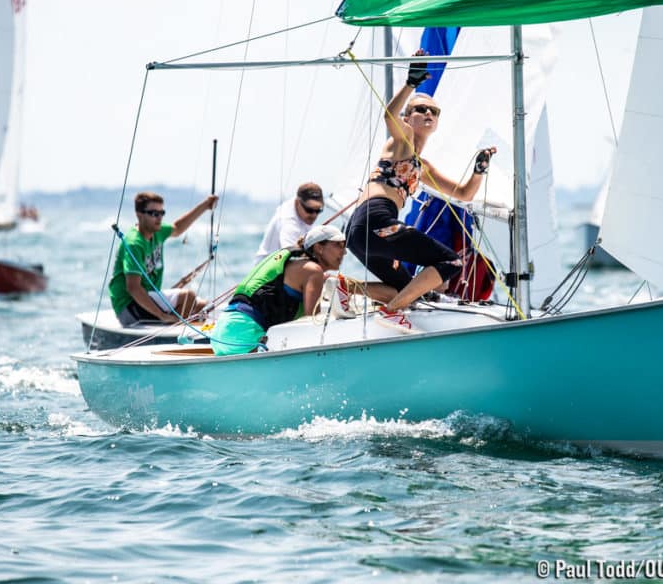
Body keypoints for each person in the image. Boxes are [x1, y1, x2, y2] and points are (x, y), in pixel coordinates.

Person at [345, 51, 496, 329]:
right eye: (420, 109)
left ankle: (344, 287)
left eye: (433, 112)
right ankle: (391, 313)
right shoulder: (402, 142)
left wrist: (479, 170)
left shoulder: (422, 166)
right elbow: (389, 114)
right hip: (374, 221)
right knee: (450, 262)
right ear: (408, 118)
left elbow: (464, 194)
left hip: (363, 231)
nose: (428, 113)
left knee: (408, 289)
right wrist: (411, 83)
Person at [211, 224, 347, 356]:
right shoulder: (313, 271)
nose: (344, 251)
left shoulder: (297, 265)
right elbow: (313, 322)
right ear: (319, 248)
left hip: (222, 334)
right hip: (243, 335)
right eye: (338, 245)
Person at [108, 191, 218, 327]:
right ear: (139, 214)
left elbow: (177, 228)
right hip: (129, 306)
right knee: (188, 297)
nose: (159, 218)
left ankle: (175, 329)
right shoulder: (134, 244)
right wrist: (163, 316)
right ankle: (173, 331)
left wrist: (206, 205)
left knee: (202, 306)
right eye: (154, 214)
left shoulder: (157, 231)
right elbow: (133, 288)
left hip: (148, 298)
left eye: (161, 213)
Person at [255, 182, 325, 260]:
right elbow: (293, 256)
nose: (314, 215)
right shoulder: (288, 222)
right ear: (297, 202)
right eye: (309, 210)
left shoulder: (300, 207)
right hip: (268, 268)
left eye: (318, 210)